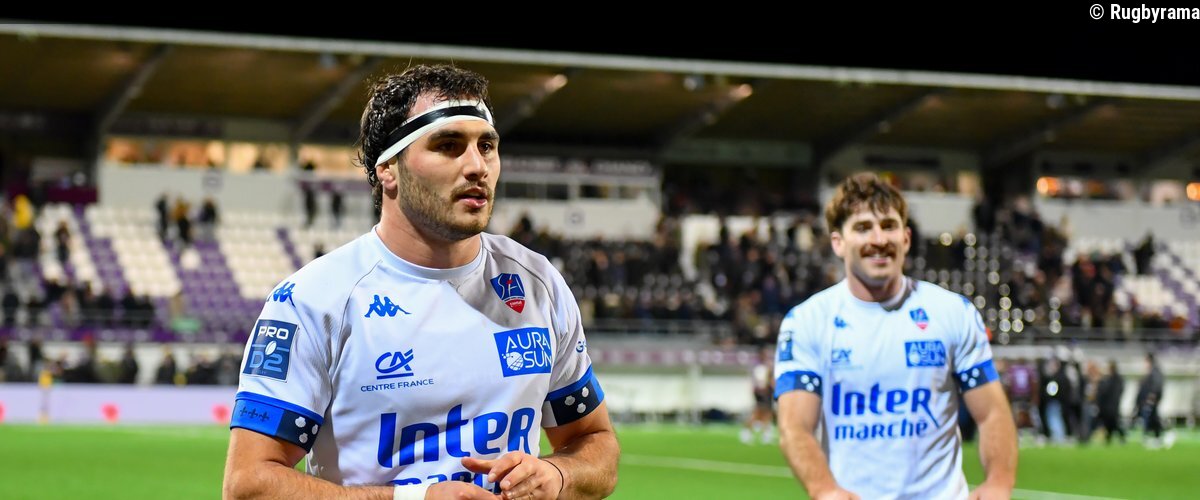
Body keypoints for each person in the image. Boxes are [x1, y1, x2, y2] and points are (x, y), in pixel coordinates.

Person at [222, 65, 619, 500]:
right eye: (448, 146)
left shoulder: (538, 283)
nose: (477, 166)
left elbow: (594, 442)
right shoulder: (314, 300)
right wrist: (414, 498)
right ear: (388, 169)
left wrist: (556, 475)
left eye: (487, 146)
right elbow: (249, 484)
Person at [775, 173, 1016, 500]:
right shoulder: (807, 321)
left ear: (906, 238)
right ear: (838, 242)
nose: (878, 239)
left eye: (888, 226)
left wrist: (999, 482)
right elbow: (794, 426)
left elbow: (992, 413)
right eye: (863, 228)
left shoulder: (952, 312)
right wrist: (824, 489)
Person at [741, 345, 776, 445]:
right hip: (761, 392)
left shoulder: (767, 365)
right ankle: (746, 432)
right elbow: (759, 380)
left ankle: (766, 435)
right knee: (757, 413)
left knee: (767, 413)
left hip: (767, 392)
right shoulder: (758, 366)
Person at [1095, 359, 1125, 444]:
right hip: (1112, 406)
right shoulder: (1116, 379)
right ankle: (1110, 438)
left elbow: (1104, 392)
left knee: (1113, 423)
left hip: (1110, 406)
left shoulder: (1111, 380)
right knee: (1110, 423)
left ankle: (1115, 437)